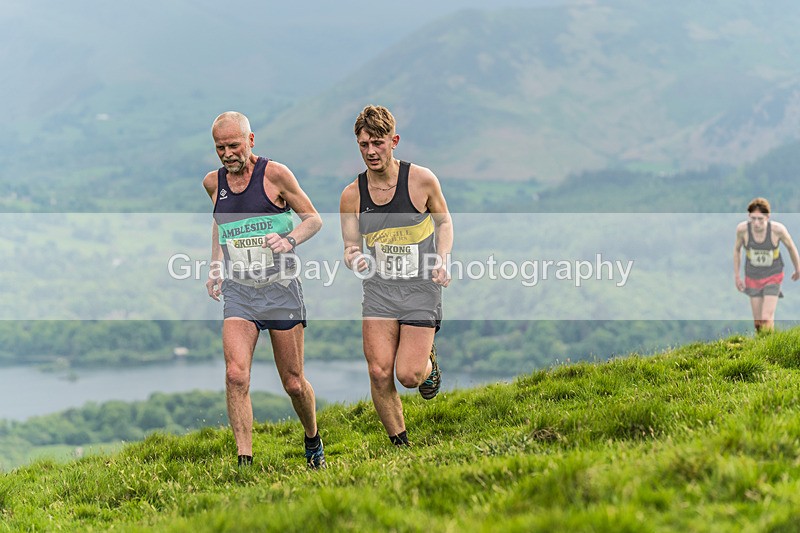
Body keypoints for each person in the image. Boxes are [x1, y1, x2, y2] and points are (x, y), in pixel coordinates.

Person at [203, 111, 326, 468]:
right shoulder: (214, 183)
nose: (228, 154)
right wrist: (215, 264)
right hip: (240, 291)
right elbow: (220, 224)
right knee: (235, 374)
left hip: (280, 288)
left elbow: (314, 220)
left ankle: (312, 437)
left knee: (292, 382)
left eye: (234, 145)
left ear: (251, 140)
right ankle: (245, 460)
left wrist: (289, 240)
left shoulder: (275, 175)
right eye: (220, 147)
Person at [339, 105, 453, 446]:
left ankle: (427, 363)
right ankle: (400, 447)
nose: (371, 152)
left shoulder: (421, 181)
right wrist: (354, 256)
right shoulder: (352, 195)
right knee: (378, 372)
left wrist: (443, 259)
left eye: (378, 143)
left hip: (421, 287)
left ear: (394, 141)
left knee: (408, 375)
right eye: (364, 144)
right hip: (380, 290)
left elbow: (444, 222)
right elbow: (349, 245)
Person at [734, 197, 800, 333]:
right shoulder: (742, 230)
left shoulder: (778, 230)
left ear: (767, 217)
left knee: (766, 318)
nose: (756, 223)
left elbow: (791, 247)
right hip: (752, 276)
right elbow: (737, 249)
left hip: (773, 275)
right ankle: (762, 346)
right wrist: (737, 276)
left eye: (760, 219)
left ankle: (769, 348)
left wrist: (798, 268)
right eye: (753, 219)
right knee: (758, 322)